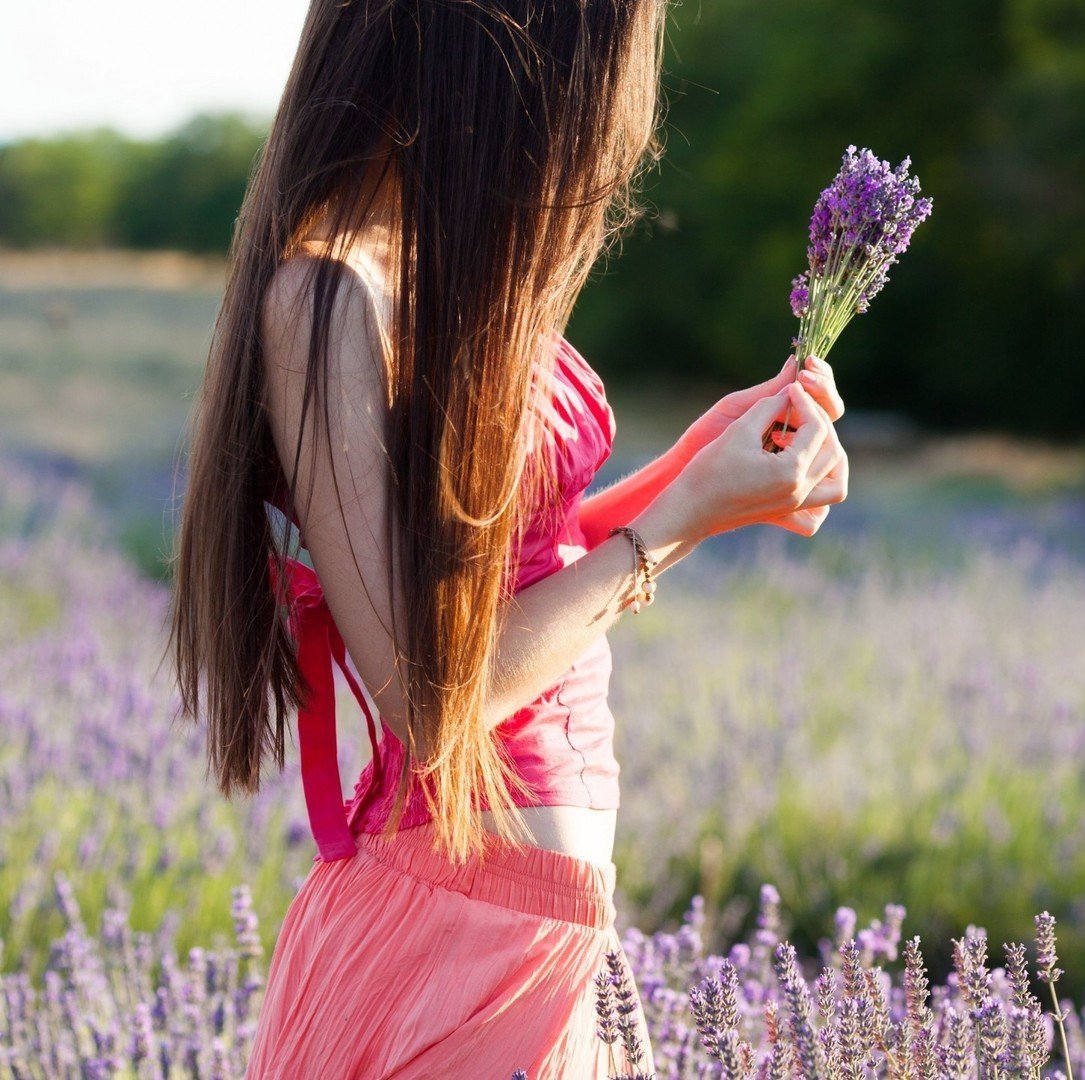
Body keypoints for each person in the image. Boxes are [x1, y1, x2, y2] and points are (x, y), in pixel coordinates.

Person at [163, 1, 849, 1075]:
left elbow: (523, 570)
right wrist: (682, 517)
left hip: (554, 938)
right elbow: (429, 698)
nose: (603, 136)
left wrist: (704, 477)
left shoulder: (451, 273)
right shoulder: (329, 291)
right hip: (453, 938)